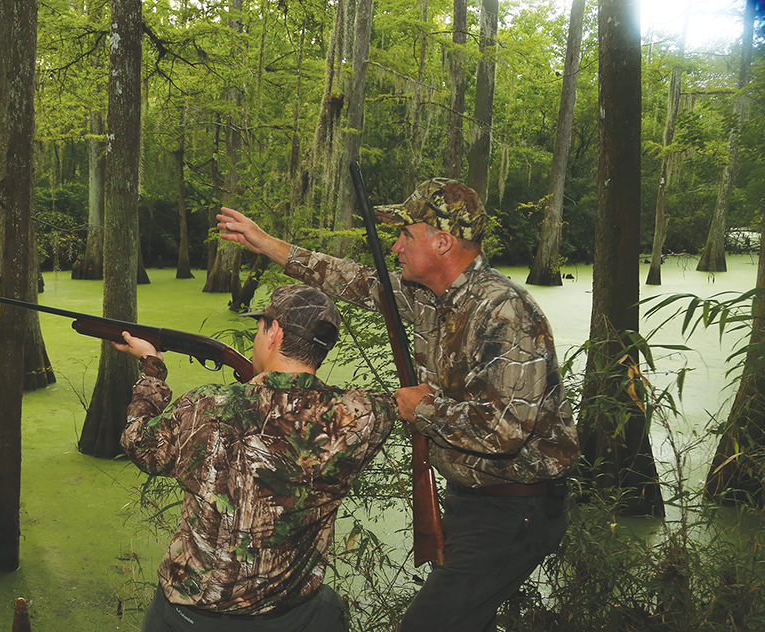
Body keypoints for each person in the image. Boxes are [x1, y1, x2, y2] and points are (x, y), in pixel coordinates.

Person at [217, 178, 581, 632]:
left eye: (406, 234)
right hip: (474, 502)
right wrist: (268, 244)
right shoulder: (433, 297)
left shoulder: (503, 313)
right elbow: (357, 281)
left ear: (443, 242)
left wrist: (420, 409)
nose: (395, 247)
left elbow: (506, 431)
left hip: (516, 509)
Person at [115, 285, 395, 631]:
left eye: (261, 326)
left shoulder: (209, 405)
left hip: (192, 617)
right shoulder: (362, 415)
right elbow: (406, 404)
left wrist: (151, 369)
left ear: (274, 332)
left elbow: (138, 442)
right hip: (294, 617)